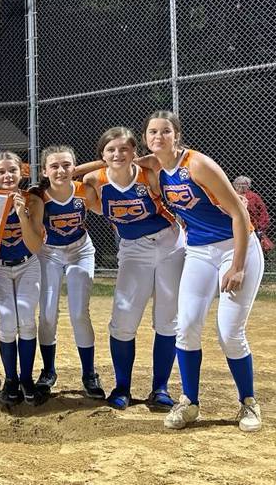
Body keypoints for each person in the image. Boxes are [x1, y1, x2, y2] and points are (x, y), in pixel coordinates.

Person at [142, 111, 265, 432]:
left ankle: (249, 403)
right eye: (152, 132)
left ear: (176, 136)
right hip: (199, 252)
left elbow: (240, 213)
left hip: (237, 247)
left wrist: (237, 267)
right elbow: (111, 163)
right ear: (146, 138)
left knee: (229, 332)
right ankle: (190, 403)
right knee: (187, 326)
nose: (158, 137)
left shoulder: (197, 164)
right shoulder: (156, 166)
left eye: (165, 131)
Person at [83, 127, 184, 411]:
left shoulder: (147, 175)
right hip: (133, 250)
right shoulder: (95, 182)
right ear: (102, 155)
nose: (118, 154)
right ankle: (122, 386)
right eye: (111, 150)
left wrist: (135, 161)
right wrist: (101, 164)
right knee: (123, 319)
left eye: (124, 149)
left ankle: (160, 388)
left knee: (167, 319)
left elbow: (157, 161)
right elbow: (65, 176)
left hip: (169, 244)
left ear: (134, 153)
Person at [34, 145, 106, 405]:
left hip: (80, 251)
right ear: (44, 171)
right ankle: (48, 371)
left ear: (74, 168)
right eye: (54, 166)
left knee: (78, 312)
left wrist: (82, 172)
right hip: (49, 252)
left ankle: (89, 374)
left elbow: (104, 164)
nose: (61, 170)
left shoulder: (82, 191)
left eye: (67, 165)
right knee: (48, 312)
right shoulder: (39, 195)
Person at [0, 150, 45, 406]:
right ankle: (10, 379)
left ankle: (26, 378)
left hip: (27, 265)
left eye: (12, 170)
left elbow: (34, 246)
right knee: (8, 319)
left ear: (22, 171)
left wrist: (22, 214)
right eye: (1, 172)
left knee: (26, 316)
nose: (7, 175)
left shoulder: (33, 201)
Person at [233, 176, 272, 253]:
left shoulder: (254, 197)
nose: (242, 186)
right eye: (239, 184)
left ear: (248, 185)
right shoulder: (232, 195)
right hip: (235, 226)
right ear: (235, 185)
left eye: (244, 184)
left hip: (252, 228)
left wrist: (260, 228)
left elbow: (263, 214)